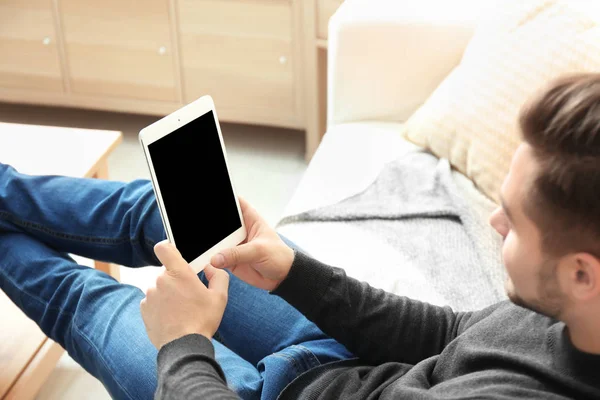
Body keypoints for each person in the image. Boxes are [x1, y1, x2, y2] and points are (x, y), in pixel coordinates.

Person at [1, 73, 600, 400]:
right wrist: (293, 272)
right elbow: (446, 335)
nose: (493, 220)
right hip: (342, 366)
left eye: (515, 221)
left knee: (85, 299)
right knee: (166, 215)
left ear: (582, 272)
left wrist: (182, 344)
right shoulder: (564, 310)